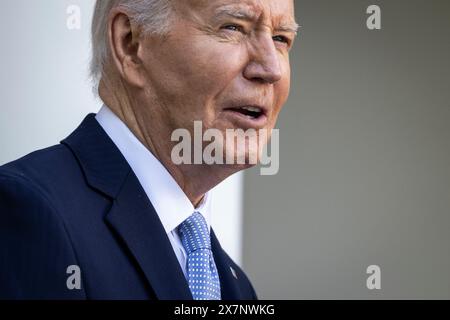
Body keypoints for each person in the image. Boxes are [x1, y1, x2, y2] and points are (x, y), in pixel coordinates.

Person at [0, 0, 298, 299]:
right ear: (130, 43)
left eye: (281, 38)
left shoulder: (236, 287)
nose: (271, 69)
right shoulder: (26, 211)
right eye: (233, 27)